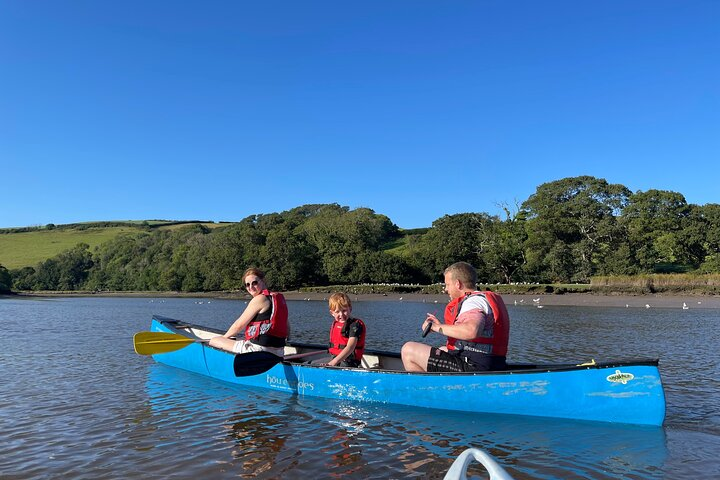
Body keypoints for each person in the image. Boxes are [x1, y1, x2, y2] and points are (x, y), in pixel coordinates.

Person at [401, 261, 509, 372]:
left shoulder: (472, 302)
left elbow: (471, 330)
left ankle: (427, 389)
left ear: (458, 284)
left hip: (474, 367)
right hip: (491, 362)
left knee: (408, 350)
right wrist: (440, 326)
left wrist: (434, 327)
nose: (446, 289)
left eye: (447, 285)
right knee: (443, 349)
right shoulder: (480, 299)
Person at [209, 268, 289, 356]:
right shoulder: (278, 299)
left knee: (214, 340)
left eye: (254, 283)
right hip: (279, 352)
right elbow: (287, 327)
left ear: (263, 281)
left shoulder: (259, 299)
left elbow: (238, 325)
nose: (250, 287)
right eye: (247, 285)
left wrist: (224, 338)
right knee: (240, 339)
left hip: (259, 350)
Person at [313, 292, 366, 367]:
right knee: (308, 364)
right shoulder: (336, 323)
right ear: (332, 313)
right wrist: (333, 361)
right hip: (335, 358)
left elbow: (350, 347)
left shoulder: (355, 325)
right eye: (337, 312)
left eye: (344, 310)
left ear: (350, 309)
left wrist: (332, 363)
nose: (341, 315)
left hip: (349, 362)